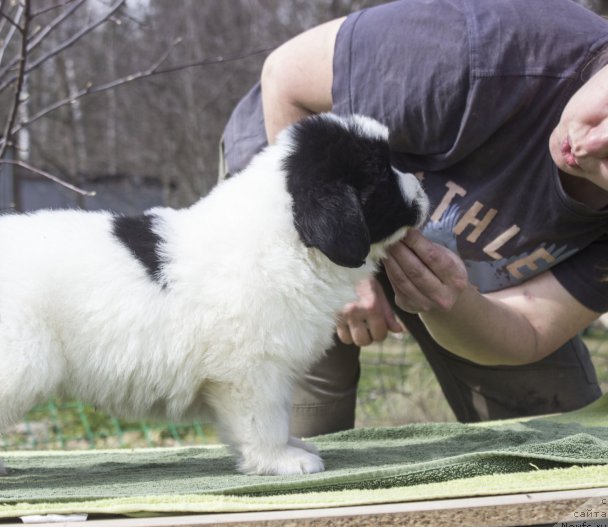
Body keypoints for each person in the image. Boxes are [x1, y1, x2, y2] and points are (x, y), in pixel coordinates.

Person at [220, 0, 608, 436]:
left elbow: (530, 331)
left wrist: (450, 301)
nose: (590, 144)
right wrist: (338, 263)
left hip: (451, 256)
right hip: (305, 185)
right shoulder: (479, 47)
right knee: (296, 443)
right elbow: (285, 80)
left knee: (559, 438)